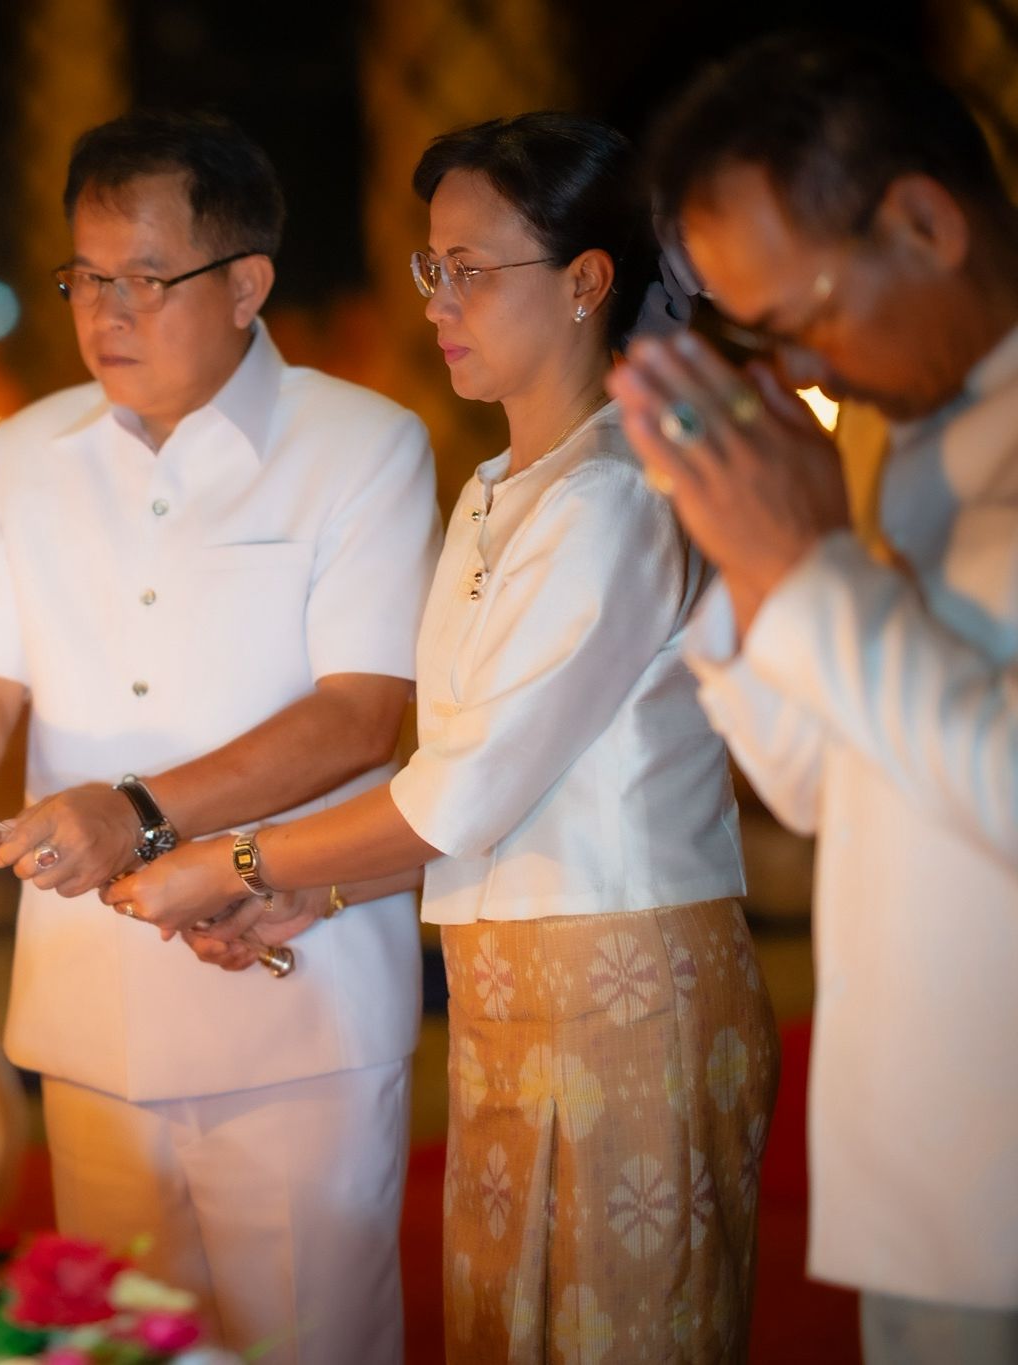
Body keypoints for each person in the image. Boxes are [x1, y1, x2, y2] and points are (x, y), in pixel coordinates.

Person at [107, 113, 780, 1361]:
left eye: (468, 268)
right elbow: (476, 785)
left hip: (628, 987)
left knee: (620, 1328)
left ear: (585, 283)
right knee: (504, 1320)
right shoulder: (489, 494)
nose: (436, 301)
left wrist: (234, 861)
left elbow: (462, 794)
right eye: (431, 268)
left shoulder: (616, 496)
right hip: (506, 990)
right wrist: (318, 894)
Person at [0, 111, 441, 1364]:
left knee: (307, 1340)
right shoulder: (27, 452)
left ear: (245, 282)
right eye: (85, 278)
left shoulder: (357, 445)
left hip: (291, 990)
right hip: (88, 1005)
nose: (106, 314)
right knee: (121, 1345)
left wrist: (132, 812)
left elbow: (360, 713)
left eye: (146, 279)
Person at [606, 36, 1018, 1363]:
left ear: (923, 219)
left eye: (800, 320)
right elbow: (828, 788)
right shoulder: (894, 435)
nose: (808, 370)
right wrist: (740, 579)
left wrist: (811, 571)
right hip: (917, 1162)